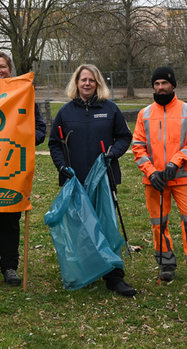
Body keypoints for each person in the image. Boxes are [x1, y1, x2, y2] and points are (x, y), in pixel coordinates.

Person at [48, 64, 136, 297]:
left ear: (98, 84)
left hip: (103, 179)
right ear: (76, 83)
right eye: (83, 80)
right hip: (75, 180)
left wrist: (113, 153)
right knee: (81, 227)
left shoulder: (110, 109)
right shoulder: (65, 113)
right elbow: (55, 143)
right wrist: (61, 167)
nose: (87, 84)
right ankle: (85, 268)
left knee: (105, 225)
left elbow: (125, 137)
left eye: (92, 80)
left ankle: (114, 276)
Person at [132, 67, 187, 288]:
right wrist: (151, 172)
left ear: (173, 85)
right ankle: (166, 265)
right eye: (157, 83)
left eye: (164, 83)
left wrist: (175, 162)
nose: (160, 87)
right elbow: (138, 148)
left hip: (183, 178)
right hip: (155, 181)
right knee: (158, 224)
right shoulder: (145, 114)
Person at [0, 52, 46, 287]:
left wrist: (24, 138)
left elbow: (40, 130)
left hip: (12, 168)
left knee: (10, 219)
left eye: (2, 66)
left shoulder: (23, 95)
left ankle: (10, 267)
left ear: (10, 69)